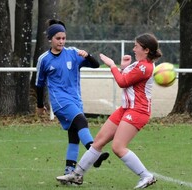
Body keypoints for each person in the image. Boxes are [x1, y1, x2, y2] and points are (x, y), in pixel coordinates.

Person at [56, 33, 162, 189]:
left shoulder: (145, 66)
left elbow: (122, 82)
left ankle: (146, 176)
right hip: (125, 109)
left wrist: (112, 65)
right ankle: (77, 175)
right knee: (98, 141)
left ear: (146, 50)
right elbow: (127, 76)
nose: (133, 49)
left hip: (138, 111)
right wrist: (124, 67)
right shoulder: (138, 64)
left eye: (136, 46)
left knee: (118, 147)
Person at [35, 19, 109, 180]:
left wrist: (87, 55)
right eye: (57, 38)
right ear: (50, 39)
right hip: (60, 101)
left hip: (75, 100)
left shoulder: (73, 53)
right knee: (81, 121)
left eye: (63, 38)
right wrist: (40, 105)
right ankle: (94, 153)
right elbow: (39, 85)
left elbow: (96, 65)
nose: (61, 41)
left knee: (74, 136)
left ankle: (69, 171)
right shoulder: (44, 59)